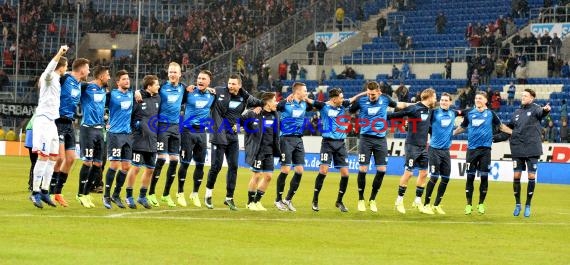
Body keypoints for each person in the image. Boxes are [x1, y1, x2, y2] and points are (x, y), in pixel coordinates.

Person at [204, 74, 263, 210]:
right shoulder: (219, 91)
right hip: (218, 134)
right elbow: (206, 89)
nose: (230, 86)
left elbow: (260, 102)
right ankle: (208, 195)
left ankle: (229, 198)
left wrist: (258, 106)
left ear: (239, 85)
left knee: (233, 167)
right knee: (216, 167)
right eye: (229, 83)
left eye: (233, 84)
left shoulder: (245, 96)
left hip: (232, 136)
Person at [349, 81, 411, 212]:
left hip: (380, 139)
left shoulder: (385, 99)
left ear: (379, 92)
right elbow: (350, 109)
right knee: (363, 169)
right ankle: (361, 199)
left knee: (382, 170)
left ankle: (372, 200)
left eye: (373, 94)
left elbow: (399, 105)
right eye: (369, 94)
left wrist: (417, 105)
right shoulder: (361, 101)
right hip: (365, 139)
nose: (371, 96)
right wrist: (358, 97)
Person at [453, 91, 512, 215]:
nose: (477, 100)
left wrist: (514, 133)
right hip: (472, 150)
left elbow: (501, 127)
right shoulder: (469, 113)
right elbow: (463, 127)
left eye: (480, 98)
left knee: (484, 177)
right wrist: (451, 133)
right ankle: (468, 205)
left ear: (485, 100)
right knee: (470, 177)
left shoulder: (491, 114)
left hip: (485, 150)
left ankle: (481, 204)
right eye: (476, 98)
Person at [310, 88, 366, 212]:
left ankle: (339, 201)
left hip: (341, 144)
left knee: (346, 174)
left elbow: (352, 99)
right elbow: (309, 101)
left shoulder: (343, 104)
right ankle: (315, 200)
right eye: (340, 97)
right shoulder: (323, 106)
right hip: (327, 143)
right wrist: (295, 96)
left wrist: (364, 93)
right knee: (323, 171)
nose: (343, 99)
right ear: (334, 99)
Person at [499, 89, 550, 217]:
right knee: (516, 176)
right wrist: (496, 137)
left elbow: (542, 112)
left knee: (531, 177)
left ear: (532, 98)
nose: (522, 97)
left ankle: (528, 204)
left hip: (532, 148)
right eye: (522, 95)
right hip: (517, 148)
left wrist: (546, 110)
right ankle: (518, 204)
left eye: (525, 96)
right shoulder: (516, 112)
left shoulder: (536, 109)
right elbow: (508, 129)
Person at [29, 45, 69, 208]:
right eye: (66, 66)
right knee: (43, 156)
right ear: (61, 66)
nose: (67, 69)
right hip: (43, 121)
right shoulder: (50, 76)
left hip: (52, 122)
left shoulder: (58, 80)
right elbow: (48, 70)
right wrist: (60, 52)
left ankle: (45, 191)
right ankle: (35, 192)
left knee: (54, 157)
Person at [142, 62, 186, 207]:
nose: (172, 74)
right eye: (170, 72)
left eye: (175, 72)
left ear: (180, 74)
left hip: (175, 128)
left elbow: (196, 92)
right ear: (168, 73)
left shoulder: (183, 88)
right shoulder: (161, 87)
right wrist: (138, 92)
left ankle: (166, 194)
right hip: (162, 127)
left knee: (174, 161)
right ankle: (151, 192)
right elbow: (147, 91)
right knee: (160, 160)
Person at [390, 88, 437, 214]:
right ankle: (399, 201)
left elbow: (426, 127)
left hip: (423, 146)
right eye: (435, 96)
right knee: (409, 173)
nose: (436, 99)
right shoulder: (414, 108)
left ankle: (417, 201)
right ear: (430, 96)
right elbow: (397, 115)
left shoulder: (429, 111)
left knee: (424, 174)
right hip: (412, 145)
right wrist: (381, 115)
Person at [50, 57, 90, 207]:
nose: (89, 71)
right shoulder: (64, 78)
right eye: (88, 68)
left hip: (70, 123)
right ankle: (49, 191)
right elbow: (50, 82)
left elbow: (92, 85)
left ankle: (58, 192)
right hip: (58, 121)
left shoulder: (81, 84)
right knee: (59, 158)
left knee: (71, 158)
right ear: (81, 69)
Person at [178, 70, 216, 208]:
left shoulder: (212, 95)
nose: (200, 80)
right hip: (187, 131)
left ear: (208, 82)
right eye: (198, 78)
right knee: (185, 163)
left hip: (202, 133)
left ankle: (194, 194)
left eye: (203, 79)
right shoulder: (189, 92)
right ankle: (180, 193)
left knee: (200, 165)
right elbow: (177, 90)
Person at [274, 82, 312, 211]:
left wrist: (306, 98)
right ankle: (278, 200)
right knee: (285, 170)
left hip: (298, 139)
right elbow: (274, 107)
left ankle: (288, 199)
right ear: (297, 92)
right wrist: (286, 99)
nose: (306, 92)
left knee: (300, 170)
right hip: (286, 139)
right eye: (305, 90)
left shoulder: (304, 104)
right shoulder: (286, 104)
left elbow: (316, 105)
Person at [423, 93, 463, 214]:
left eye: (446, 100)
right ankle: (426, 204)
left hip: (446, 151)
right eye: (442, 100)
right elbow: (422, 120)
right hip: (434, 149)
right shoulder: (434, 113)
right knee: (434, 177)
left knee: (446, 178)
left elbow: (466, 112)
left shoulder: (453, 113)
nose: (443, 102)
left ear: (450, 102)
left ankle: (437, 205)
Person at [125, 75, 161, 209]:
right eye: (156, 84)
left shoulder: (158, 98)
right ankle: (128, 196)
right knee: (135, 168)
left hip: (152, 140)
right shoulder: (138, 98)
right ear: (149, 86)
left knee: (150, 169)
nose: (158, 86)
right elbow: (131, 117)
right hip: (139, 140)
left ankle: (142, 196)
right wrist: (137, 128)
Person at [76, 66, 110, 208]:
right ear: (101, 77)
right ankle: (80, 194)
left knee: (98, 164)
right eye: (107, 75)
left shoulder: (104, 91)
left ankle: (86, 193)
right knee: (87, 162)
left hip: (99, 130)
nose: (109, 77)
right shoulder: (86, 87)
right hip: (87, 129)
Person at [101, 70, 133, 209]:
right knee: (114, 165)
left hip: (128, 135)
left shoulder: (133, 95)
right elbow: (99, 105)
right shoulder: (111, 95)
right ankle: (106, 195)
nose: (127, 81)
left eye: (128, 79)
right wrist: (104, 121)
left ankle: (116, 194)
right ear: (118, 82)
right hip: (114, 134)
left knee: (126, 166)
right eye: (124, 79)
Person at [243, 92, 279, 211]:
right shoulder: (255, 113)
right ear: (268, 103)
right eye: (274, 100)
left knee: (268, 176)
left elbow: (275, 134)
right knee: (257, 175)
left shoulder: (275, 115)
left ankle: (257, 201)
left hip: (269, 150)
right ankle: (249, 202)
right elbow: (239, 121)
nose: (276, 103)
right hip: (258, 150)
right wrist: (252, 112)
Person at [24, 116, 36, 191]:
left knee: (34, 162)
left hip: (30, 132)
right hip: (35, 132)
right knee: (37, 162)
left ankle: (31, 183)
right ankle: (33, 185)